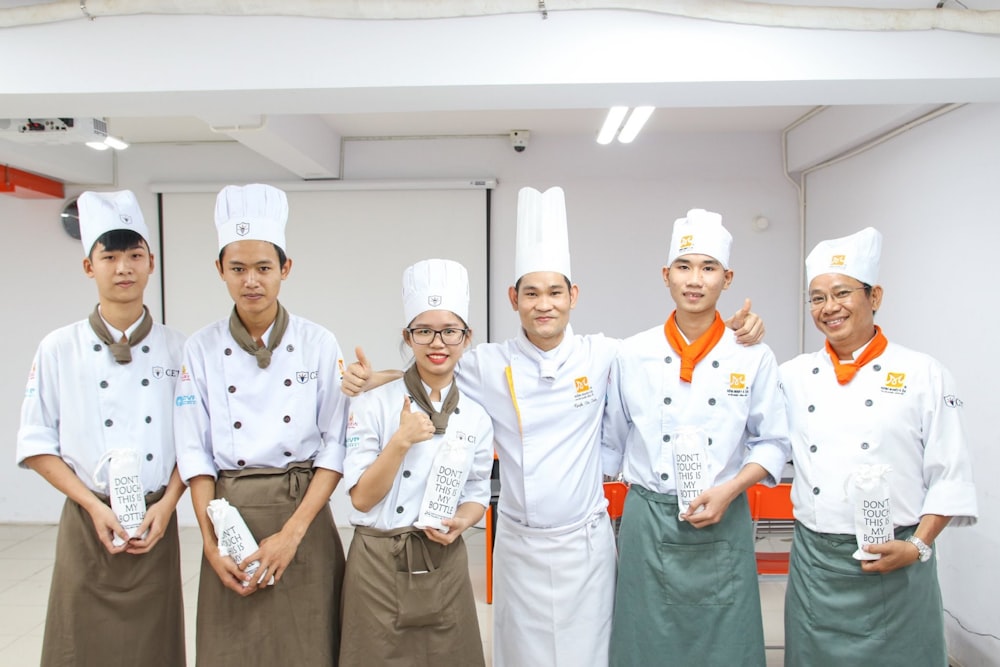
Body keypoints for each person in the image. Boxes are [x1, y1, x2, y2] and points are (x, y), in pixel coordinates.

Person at [342, 186, 765, 666]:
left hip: (586, 543)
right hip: (519, 542)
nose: (544, 305)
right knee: (522, 655)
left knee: (590, 654)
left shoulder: (607, 354)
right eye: (531, 293)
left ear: (573, 296)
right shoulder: (487, 363)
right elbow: (434, 365)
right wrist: (377, 378)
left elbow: (679, 349)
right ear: (513, 298)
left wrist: (739, 332)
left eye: (555, 292)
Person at [779, 227, 978, 666]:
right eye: (817, 297)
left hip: (898, 556)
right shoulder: (791, 377)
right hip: (817, 564)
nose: (829, 307)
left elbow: (949, 473)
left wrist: (918, 546)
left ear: (875, 296)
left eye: (842, 292)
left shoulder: (923, 373)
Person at [603, 208, 791, 666]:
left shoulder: (752, 356)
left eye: (708, 268)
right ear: (666, 275)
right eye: (684, 267)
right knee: (646, 643)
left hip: (724, 517)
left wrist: (730, 490)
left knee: (725, 646)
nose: (695, 279)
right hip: (648, 517)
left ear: (727, 279)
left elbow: (774, 443)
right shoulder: (633, 353)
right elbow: (613, 441)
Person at [173, 183, 348, 667]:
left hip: (304, 513)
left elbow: (337, 444)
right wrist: (210, 543)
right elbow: (194, 452)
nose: (251, 280)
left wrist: (292, 534)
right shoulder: (200, 348)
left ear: (285, 269)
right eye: (238, 269)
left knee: (308, 646)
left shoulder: (318, 341)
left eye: (264, 268)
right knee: (234, 649)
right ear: (220, 271)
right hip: (229, 515)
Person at [16, 190, 187, 667]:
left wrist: (169, 505)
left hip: (155, 520)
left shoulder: (180, 349)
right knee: (79, 642)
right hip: (87, 518)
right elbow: (36, 444)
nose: (123, 267)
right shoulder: (58, 347)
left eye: (134, 255)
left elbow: (195, 444)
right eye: (109, 256)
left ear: (151, 263)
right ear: (89, 267)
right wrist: (93, 505)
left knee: (154, 643)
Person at [339, 258, 493, 666]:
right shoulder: (373, 404)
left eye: (449, 331)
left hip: (443, 558)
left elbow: (478, 491)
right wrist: (400, 443)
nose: (437, 343)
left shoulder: (476, 416)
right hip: (376, 561)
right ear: (408, 337)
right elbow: (361, 500)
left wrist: (463, 519)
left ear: (466, 337)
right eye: (424, 331)